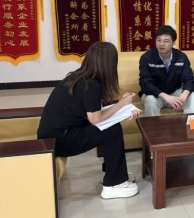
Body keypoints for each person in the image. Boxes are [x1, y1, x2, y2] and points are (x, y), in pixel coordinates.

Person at [37, 42, 140, 199]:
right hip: (59, 140)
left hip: (56, 135)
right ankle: (114, 184)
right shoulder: (91, 85)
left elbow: (94, 111)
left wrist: (123, 107)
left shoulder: (81, 77)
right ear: (109, 64)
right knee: (112, 130)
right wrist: (121, 105)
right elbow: (96, 119)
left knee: (111, 126)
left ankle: (113, 173)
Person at [139, 25, 194, 116]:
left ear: (173, 43)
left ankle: (190, 123)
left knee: (192, 96)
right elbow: (145, 83)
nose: (161, 44)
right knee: (150, 100)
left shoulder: (181, 57)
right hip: (155, 95)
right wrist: (166, 97)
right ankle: (153, 126)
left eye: (166, 41)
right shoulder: (147, 58)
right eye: (159, 40)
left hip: (174, 93)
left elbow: (189, 79)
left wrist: (183, 97)